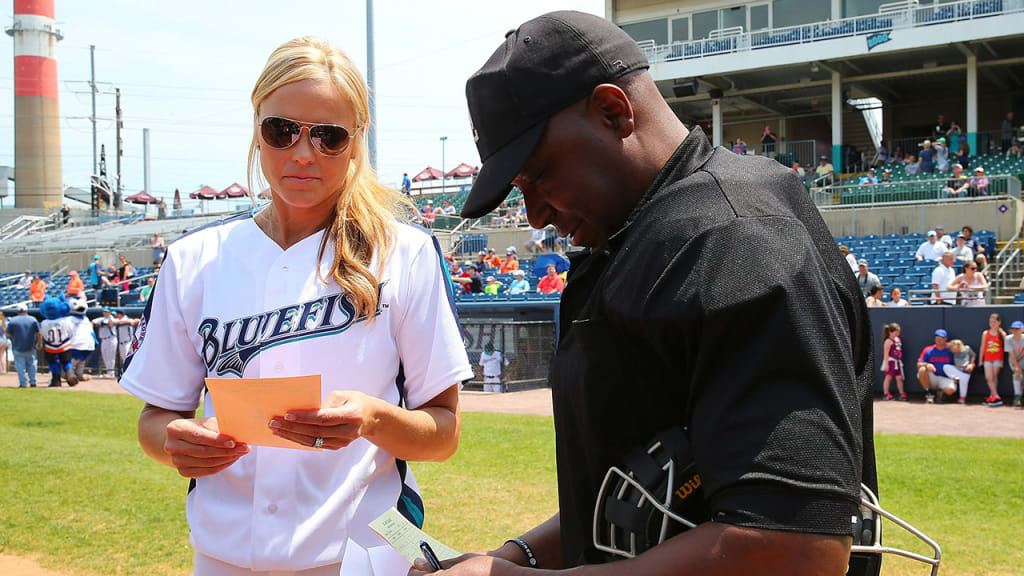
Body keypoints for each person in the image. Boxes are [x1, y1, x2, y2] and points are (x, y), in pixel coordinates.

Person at [436, 12, 876, 575]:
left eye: (539, 174)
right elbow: (632, 493)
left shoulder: (737, 237)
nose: (536, 214)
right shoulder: (640, 233)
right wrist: (515, 556)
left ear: (613, 111)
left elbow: (795, 550)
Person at [119, 36, 472, 575]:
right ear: (257, 130)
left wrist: (374, 418)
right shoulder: (194, 258)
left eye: (329, 136)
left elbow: (443, 434)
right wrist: (174, 443)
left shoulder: (404, 253)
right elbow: (157, 417)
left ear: (356, 142)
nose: (304, 154)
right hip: (222, 557)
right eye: (282, 131)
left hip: (361, 555)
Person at [6, 303, 41, 387]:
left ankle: (23, 383)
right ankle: (33, 382)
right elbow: (39, 333)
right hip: (31, 346)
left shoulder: (13, 320)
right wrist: (39, 343)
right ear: (26, 310)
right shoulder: (33, 319)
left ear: (17, 311)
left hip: (17, 346)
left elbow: (8, 334)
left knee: (20, 367)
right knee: (32, 365)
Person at [917, 329, 956, 404]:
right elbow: (918, 364)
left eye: (941, 338)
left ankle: (940, 393)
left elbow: (963, 354)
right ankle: (929, 393)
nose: (939, 340)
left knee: (950, 390)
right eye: (937, 337)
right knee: (922, 370)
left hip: (945, 378)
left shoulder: (951, 350)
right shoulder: (928, 349)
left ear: (946, 339)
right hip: (932, 378)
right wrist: (927, 364)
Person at [979, 313, 1006, 407]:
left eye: (994, 322)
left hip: (998, 358)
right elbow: (982, 347)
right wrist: (980, 360)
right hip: (987, 358)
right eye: (991, 322)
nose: (992, 324)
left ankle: (992, 397)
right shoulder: (985, 333)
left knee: (994, 377)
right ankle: (996, 396)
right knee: (988, 378)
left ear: (999, 322)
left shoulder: (1002, 334)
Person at [68, 299, 95, 382]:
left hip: (75, 344)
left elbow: (67, 332)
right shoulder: (85, 319)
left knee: (71, 362)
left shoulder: (69, 319)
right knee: (81, 361)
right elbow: (92, 332)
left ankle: (69, 374)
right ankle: (79, 374)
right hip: (88, 344)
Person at [944, 339, 976, 404]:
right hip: (957, 370)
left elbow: (973, 355)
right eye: (954, 350)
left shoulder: (967, 348)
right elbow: (946, 345)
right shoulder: (952, 349)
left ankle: (962, 398)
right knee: (946, 367)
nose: (956, 351)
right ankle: (954, 378)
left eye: (957, 349)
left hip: (965, 370)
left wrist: (971, 364)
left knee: (963, 385)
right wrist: (949, 344)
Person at [881, 322, 905, 401]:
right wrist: (886, 364)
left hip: (897, 362)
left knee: (899, 378)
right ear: (890, 332)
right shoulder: (888, 341)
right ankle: (886, 394)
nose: (898, 333)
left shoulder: (897, 339)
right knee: (888, 377)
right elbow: (886, 353)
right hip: (890, 362)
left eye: (898, 331)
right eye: (896, 331)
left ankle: (902, 394)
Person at [92, 308, 119, 378]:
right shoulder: (101, 318)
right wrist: (97, 324)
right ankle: (108, 372)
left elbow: (111, 323)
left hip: (111, 339)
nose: (105, 313)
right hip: (103, 339)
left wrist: (101, 323)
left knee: (111, 356)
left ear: (110, 313)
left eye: (107, 312)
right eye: (104, 312)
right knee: (105, 356)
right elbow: (93, 322)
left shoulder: (113, 318)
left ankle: (111, 373)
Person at [114, 310, 139, 379]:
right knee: (123, 359)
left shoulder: (126, 318)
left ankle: (132, 373)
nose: (116, 315)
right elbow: (112, 322)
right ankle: (127, 373)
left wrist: (119, 322)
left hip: (128, 342)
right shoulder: (117, 320)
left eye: (117, 314)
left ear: (120, 314)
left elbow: (134, 321)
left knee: (128, 358)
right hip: (121, 343)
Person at [1006, 320, 1024, 408]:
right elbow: (1011, 354)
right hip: (1013, 361)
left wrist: (1018, 362)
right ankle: (1017, 397)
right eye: (1013, 329)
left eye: (1017, 329)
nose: (1015, 331)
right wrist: (1016, 366)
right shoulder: (1008, 339)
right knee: (1017, 375)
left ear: (1022, 329)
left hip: (1021, 358)